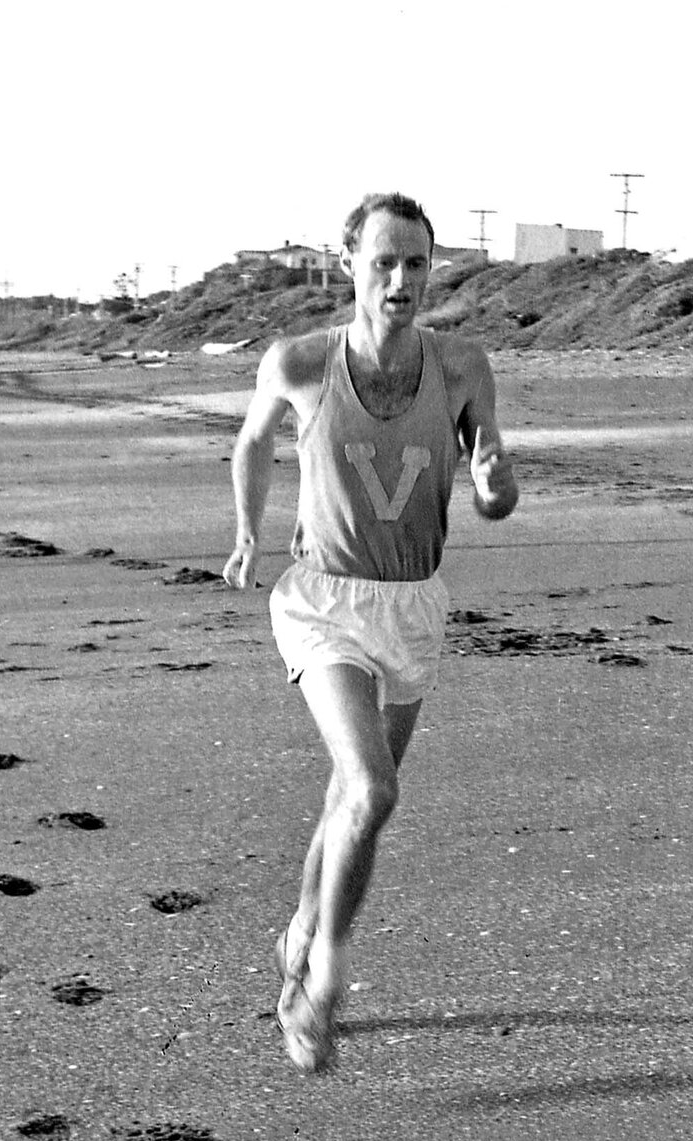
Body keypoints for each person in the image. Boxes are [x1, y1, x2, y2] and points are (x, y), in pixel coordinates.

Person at [222, 192, 519, 1072]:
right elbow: (251, 441)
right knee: (373, 789)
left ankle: (307, 921)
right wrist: (247, 529)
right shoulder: (303, 361)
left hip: (414, 604)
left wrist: (497, 485)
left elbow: (495, 487)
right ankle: (323, 977)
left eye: (417, 263)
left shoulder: (462, 365)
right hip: (323, 600)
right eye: (384, 261)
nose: (401, 280)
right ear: (348, 260)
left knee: (350, 799)